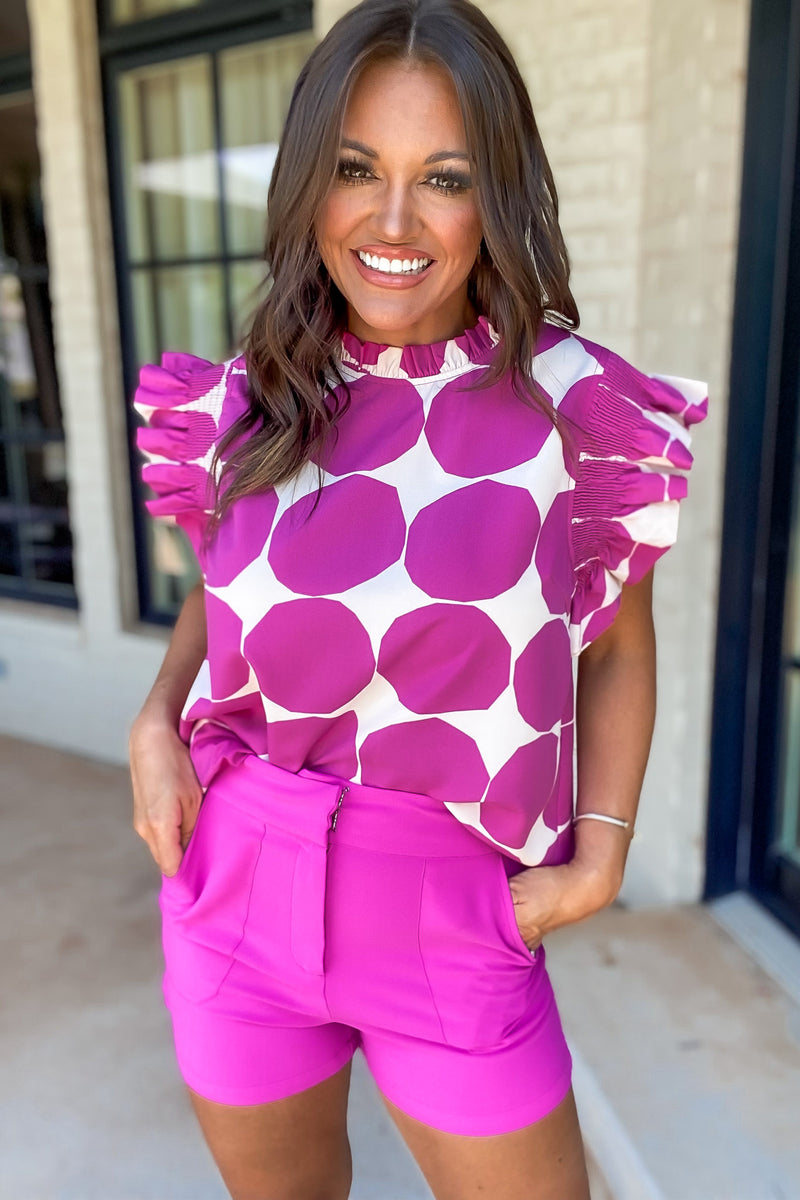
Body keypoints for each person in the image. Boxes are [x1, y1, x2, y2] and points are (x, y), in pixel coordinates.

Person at [129, 1, 708, 1197]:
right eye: (354, 170)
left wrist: (599, 854)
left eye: (440, 178)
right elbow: (220, 595)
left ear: (493, 194)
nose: (390, 223)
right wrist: (156, 715)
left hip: (448, 902)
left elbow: (614, 650)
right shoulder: (246, 397)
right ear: (308, 185)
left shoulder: (574, 406)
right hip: (233, 881)